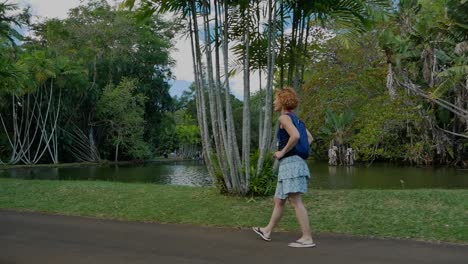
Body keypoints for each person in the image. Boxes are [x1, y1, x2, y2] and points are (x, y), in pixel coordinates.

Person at [252, 87, 315, 248]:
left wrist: (282, 151)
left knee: (295, 201)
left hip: (291, 164)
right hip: (291, 164)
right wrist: (296, 150)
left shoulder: (284, 119)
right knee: (279, 200)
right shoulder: (297, 120)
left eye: (276, 99)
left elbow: (295, 136)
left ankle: (307, 238)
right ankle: (267, 231)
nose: (274, 102)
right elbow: (309, 138)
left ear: (282, 102)